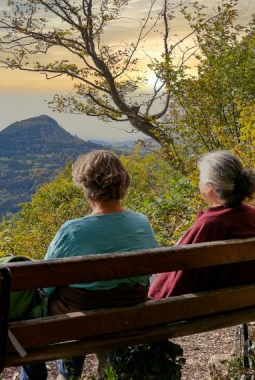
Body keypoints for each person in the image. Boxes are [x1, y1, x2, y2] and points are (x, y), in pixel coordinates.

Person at [20, 150, 158, 380]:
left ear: (86, 186)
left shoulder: (73, 230)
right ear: (123, 183)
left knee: (37, 314)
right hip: (130, 310)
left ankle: (64, 374)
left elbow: (46, 283)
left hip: (80, 319)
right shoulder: (141, 222)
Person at [149, 150, 255, 299]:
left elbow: (182, 278)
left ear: (209, 186)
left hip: (211, 305)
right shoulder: (254, 214)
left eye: (200, 179)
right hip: (250, 298)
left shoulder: (211, 223)